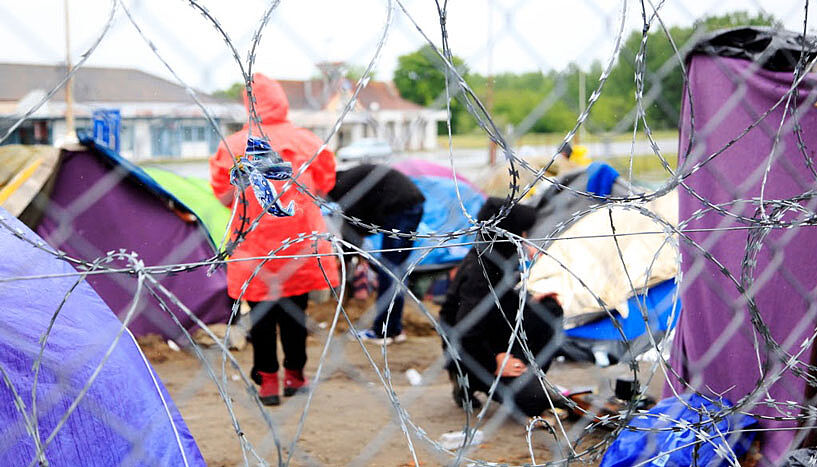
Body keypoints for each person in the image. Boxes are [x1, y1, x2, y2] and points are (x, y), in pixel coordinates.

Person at [210, 73, 339, 406]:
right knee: (296, 312)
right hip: (299, 245)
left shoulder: (233, 146)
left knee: (262, 318)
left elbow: (223, 196)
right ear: (282, 100)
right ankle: (296, 375)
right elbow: (325, 185)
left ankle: (267, 382)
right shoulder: (306, 141)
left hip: (254, 247)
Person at [439, 197, 564, 418]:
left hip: (492, 334)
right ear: (507, 233)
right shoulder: (481, 273)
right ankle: (470, 379)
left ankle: (523, 374)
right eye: (521, 232)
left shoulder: (495, 258)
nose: (525, 237)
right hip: (471, 352)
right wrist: (493, 362)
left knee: (549, 309)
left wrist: (531, 301)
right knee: (535, 401)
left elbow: (502, 304)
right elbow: (464, 332)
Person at [327, 164, 425, 344]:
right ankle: (393, 329)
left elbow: (352, 229)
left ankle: (383, 331)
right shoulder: (346, 179)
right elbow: (356, 226)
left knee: (389, 269)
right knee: (395, 270)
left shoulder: (341, 188)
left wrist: (345, 257)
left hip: (400, 208)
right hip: (411, 204)